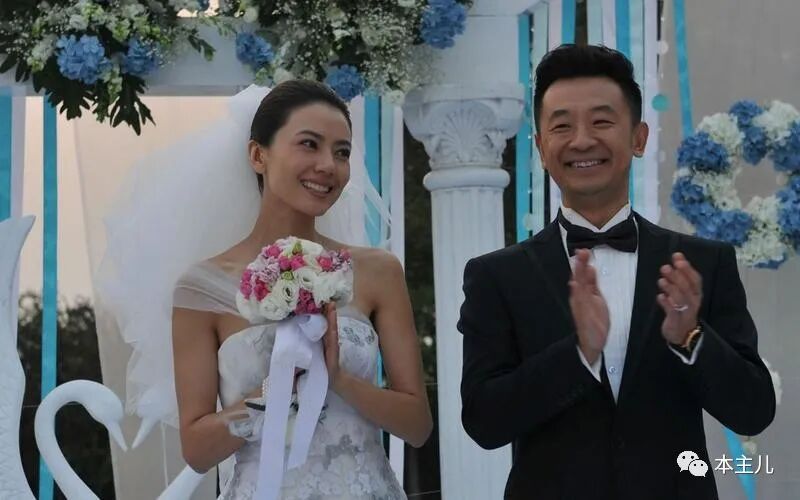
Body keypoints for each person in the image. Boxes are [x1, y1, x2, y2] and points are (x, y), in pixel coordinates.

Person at [458, 44, 775, 499]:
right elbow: (484, 422)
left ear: (638, 138)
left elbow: (754, 411)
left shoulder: (704, 262)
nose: (582, 140)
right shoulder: (496, 276)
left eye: (602, 121)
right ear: (541, 148)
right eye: (562, 126)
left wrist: (690, 337)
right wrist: (579, 354)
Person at [100, 81, 431, 499]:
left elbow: (417, 425)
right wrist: (275, 389)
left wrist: (338, 378)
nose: (328, 165)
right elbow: (198, 450)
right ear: (258, 155)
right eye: (309, 144)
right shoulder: (200, 288)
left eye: (342, 152)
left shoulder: (378, 272)